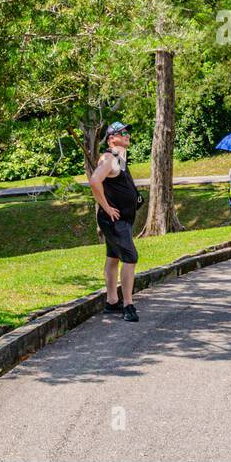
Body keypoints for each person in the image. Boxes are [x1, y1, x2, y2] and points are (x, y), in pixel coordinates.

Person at [88, 122, 142, 322]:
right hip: (114, 220)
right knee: (130, 257)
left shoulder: (120, 158)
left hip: (122, 220)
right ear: (112, 138)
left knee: (113, 257)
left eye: (128, 132)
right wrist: (106, 207)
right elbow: (94, 181)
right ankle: (128, 305)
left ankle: (112, 302)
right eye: (123, 133)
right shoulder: (109, 158)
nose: (127, 135)